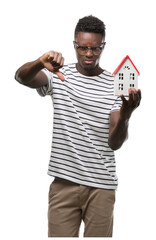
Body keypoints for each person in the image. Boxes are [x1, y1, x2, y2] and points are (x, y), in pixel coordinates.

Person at [15, 15, 141, 237]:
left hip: (101, 186)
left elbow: (115, 142)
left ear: (103, 46)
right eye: (82, 48)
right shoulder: (59, 75)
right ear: (75, 45)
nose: (89, 54)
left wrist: (126, 115)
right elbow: (21, 78)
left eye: (95, 48)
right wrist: (38, 62)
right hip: (64, 185)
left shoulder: (114, 85)